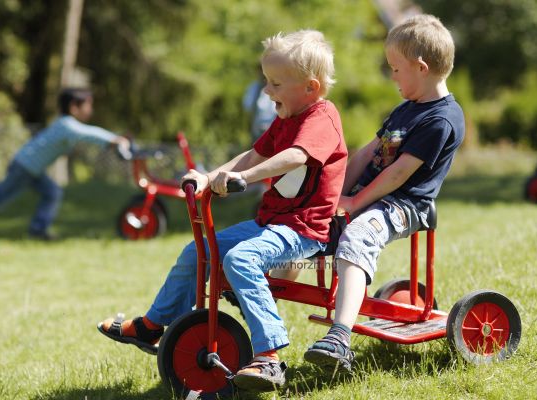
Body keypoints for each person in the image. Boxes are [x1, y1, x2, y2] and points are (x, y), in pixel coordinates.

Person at [98, 29, 348, 391]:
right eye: (267, 81)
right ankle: (153, 326)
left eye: (276, 84)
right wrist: (209, 177)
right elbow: (254, 154)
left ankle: (269, 357)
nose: (267, 91)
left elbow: (295, 156)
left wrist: (243, 178)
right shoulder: (285, 119)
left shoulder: (321, 118)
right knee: (197, 252)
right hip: (270, 223)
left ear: (311, 88)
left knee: (240, 259)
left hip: (303, 230)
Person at [304, 14, 465, 373]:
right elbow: (367, 154)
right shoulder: (406, 109)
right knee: (307, 215)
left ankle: (339, 338)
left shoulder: (441, 119)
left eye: (395, 69)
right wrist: (332, 194)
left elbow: (399, 173)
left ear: (421, 68)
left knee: (358, 234)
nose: (392, 77)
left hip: (403, 204)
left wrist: (354, 203)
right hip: (373, 195)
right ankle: (264, 280)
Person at [0, 88, 130, 240]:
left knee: (52, 192)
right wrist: (114, 139)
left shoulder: (64, 125)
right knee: (2, 195)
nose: (90, 110)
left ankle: (38, 230)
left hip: (33, 169)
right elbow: (89, 133)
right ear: (74, 106)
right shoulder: (67, 125)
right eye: (88, 105)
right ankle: (38, 229)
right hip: (25, 167)